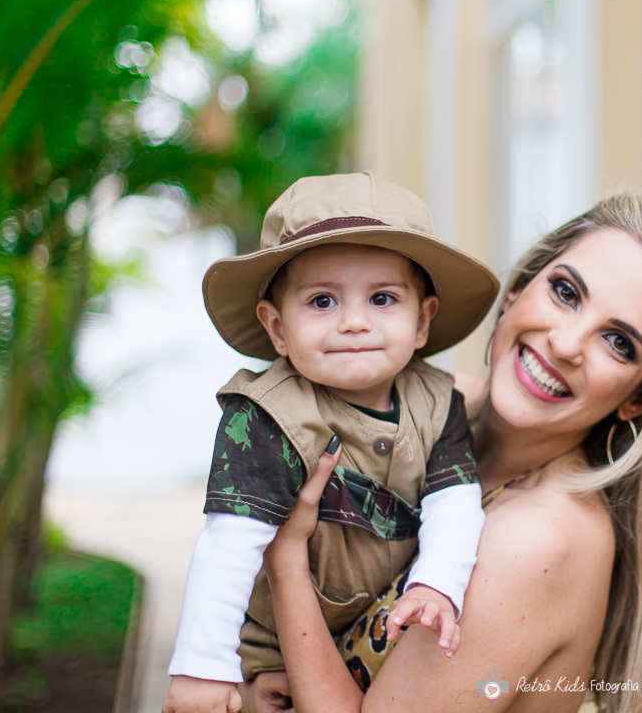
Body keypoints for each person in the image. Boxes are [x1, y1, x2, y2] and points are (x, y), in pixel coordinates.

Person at [243, 194, 642, 713]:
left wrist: (286, 560)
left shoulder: (539, 537)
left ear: (639, 397)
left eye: (618, 342)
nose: (566, 344)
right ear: (516, 292)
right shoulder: (437, 418)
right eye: (565, 292)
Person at [163, 172, 501, 713]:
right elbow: (228, 545)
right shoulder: (266, 417)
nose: (354, 322)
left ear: (423, 321)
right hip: (277, 647)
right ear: (277, 328)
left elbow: (454, 500)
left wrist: (436, 585)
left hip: (377, 634)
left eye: (383, 298)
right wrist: (204, 666)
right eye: (322, 302)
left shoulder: (439, 403)